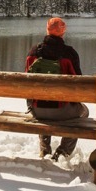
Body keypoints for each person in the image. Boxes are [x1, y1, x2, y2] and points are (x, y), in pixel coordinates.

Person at [25, 16, 88, 160]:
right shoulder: (69, 54)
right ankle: (62, 153)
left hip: (37, 110)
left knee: (42, 100)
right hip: (63, 111)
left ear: (47, 30)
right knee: (83, 113)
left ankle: (45, 149)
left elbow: (27, 83)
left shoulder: (33, 53)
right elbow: (79, 84)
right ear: (63, 32)